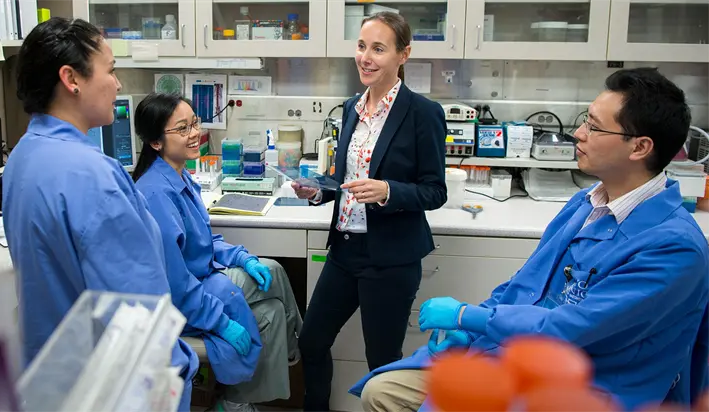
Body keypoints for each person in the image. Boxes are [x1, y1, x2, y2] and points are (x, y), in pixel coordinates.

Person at [350, 67, 709, 412]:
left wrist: (469, 317)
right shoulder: (587, 203)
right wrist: (476, 326)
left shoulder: (673, 249)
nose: (579, 134)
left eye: (595, 128)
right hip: (522, 352)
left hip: (590, 383)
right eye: (585, 119)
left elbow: (573, 328)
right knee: (383, 392)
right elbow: (525, 285)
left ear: (640, 147)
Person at [2, 18, 197, 411]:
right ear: (71, 78)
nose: (118, 84)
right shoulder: (94, 175)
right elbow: (137, 308)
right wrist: (179, 369)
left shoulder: (23, 156)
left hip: (47, 378)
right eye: (110, 70)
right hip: (108, 386)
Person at [290, 11, 448, 412]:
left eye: (378, 48)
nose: (366, 57)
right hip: (344, 251)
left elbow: (434, 191)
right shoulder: (350, 109)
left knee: (382, 363)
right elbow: (347, 181)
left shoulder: (422, 113)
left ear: (403, 55)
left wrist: (387, 191)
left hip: (390, 258)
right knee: (311, 340)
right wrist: (317, 192)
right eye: (362, 46)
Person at [132, 93, 303, 412]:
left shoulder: (179, 176)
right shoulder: (155, 193)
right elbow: (174, 283)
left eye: (194, 122)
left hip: (200, 277)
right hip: (183, 300)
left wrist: (240, 257)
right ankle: (238, 401)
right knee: (269, 314)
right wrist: (220, 323)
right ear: (156, 142)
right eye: (182, 129)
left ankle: (293, 352)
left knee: (273, 272)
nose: (194, 133)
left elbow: (202, 241)